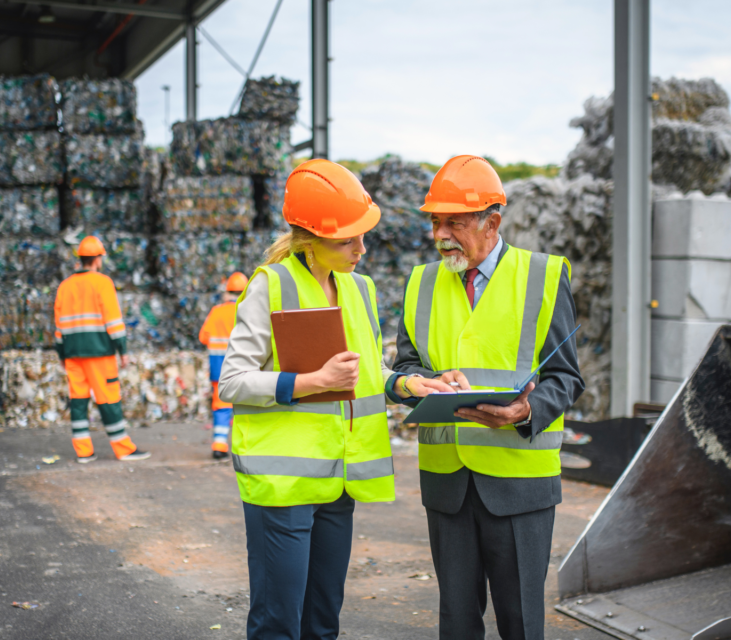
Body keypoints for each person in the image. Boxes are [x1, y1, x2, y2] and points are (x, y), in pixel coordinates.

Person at [218, 159, 452, 640]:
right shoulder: (272, 285)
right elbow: (233, 381)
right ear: (309, 238)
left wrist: (406, 386)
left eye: (363, 236)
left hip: (337, 480)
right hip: (281, 485)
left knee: (323, 623)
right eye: (348, 240)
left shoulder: (359, 288)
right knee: (278, 624)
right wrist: (310, 381)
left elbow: (367, 369)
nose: (361, 250)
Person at [392, 155, 584, 640]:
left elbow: (566, 376)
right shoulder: (421, 282)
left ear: (492, 222)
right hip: (447, 483)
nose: (440, 235)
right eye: (435, 221)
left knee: (520, 621)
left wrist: (526, 411)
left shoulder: (542, 276)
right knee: (456, 623)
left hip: (521, 483)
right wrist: (421, 383)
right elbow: (406, 365)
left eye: (453, 222)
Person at [54, 235, 151, 464]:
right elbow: (114, 321)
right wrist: (123, 350)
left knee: (78, 401)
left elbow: (58, 326)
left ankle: (83, 452)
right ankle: (123, 448)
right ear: (97, 260)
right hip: (99, 353)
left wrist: (61, 353)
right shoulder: (103, 283)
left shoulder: (65, 286)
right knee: (108, 399)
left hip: (72, 354)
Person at [198, 271, 248, 460]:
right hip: (243, 371)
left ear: (227, 292)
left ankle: (219, 445)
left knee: (221, 407)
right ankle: (242, 448)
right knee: (244, 407)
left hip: (219, 370)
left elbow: (203, 337)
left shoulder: (217, 311)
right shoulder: (248, 311)